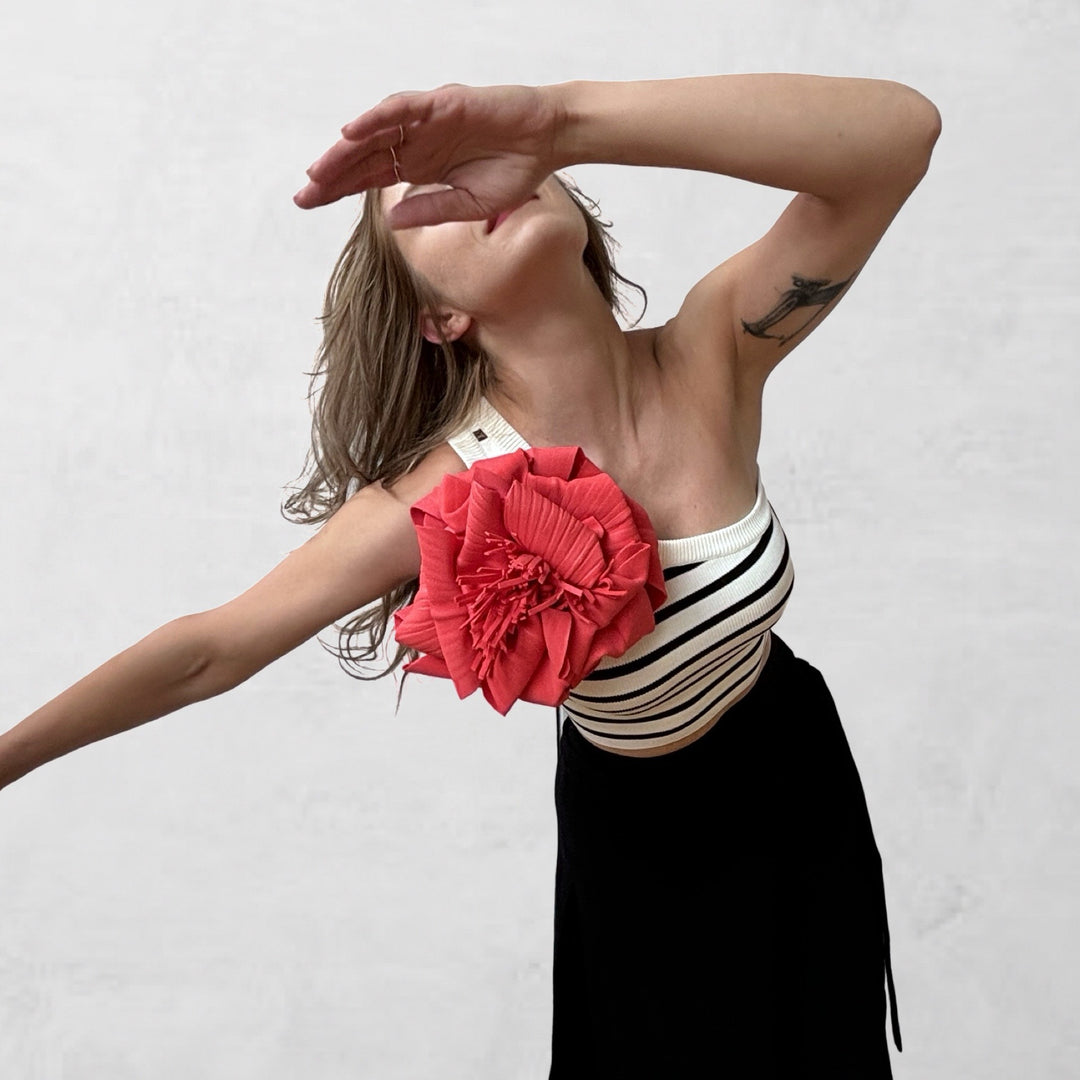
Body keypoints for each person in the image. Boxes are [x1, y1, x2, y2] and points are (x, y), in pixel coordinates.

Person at [0, 74, 940, 1076]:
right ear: (435, 317)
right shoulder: (448, 490)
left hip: (794, 778)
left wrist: (559, 122)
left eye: (480, 168)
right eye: (429, 195)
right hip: (644, 852)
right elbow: (211, 650)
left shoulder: (717, 349)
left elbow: (899, 139)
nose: (474, 188)